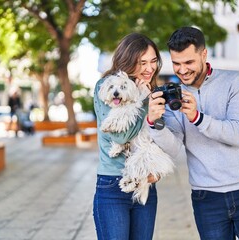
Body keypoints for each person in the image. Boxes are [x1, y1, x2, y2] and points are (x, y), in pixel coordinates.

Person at [147, 26, 239, 239]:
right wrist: (155, 123)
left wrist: (198, 117)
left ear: (204, 54)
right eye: (176, 63)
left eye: (188, 62)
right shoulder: (175, 96)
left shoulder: (237, 81)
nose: (182, 70)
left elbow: (238, 134)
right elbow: (173, 146)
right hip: (206, 197)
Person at [93, 32, 162, 240]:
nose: (149, 68)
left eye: (153, 61)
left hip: (145, 183)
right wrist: (142, 102)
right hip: (112, 185)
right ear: (128, 60)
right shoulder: (105, 87)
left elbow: (162, 136)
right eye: (142, 62)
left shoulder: (153, 91)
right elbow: (121, 137)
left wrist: (158, 172)